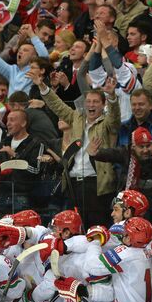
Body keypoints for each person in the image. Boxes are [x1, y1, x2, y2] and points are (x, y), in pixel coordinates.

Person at [32, 69, 120, 227]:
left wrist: (112, 97)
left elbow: (114, 117)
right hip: (73, 183)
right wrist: (43, 87)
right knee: (75, 229)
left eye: (95, 102)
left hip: (97, 185)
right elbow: (57, 106)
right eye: (88, 101)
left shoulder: (107, 122)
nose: (91, 105)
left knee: (97, 229)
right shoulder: (76, 118)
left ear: (103, 104)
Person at [88, 127, 152, 231]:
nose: (145, 150)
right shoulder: (126, 152)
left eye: (148, 146)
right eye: (141, 147)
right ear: (133, 147)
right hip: (134, 205)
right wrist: (96, 153)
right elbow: (112, 154)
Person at [84, 217, 152, 302]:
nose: (122, 234)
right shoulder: (149, 250)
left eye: (125, 233)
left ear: (130, 239)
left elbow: (91, 266)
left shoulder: (125, 253)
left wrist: (95, 241)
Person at [0, 110, 43, 214]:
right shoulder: (3, 143)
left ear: (23, 123)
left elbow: (36, 170)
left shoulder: (36, 143)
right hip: (2, 195)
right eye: (7, 120)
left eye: (12, 120)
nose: (8, 123)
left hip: (24, 196)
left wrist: (15, 155)